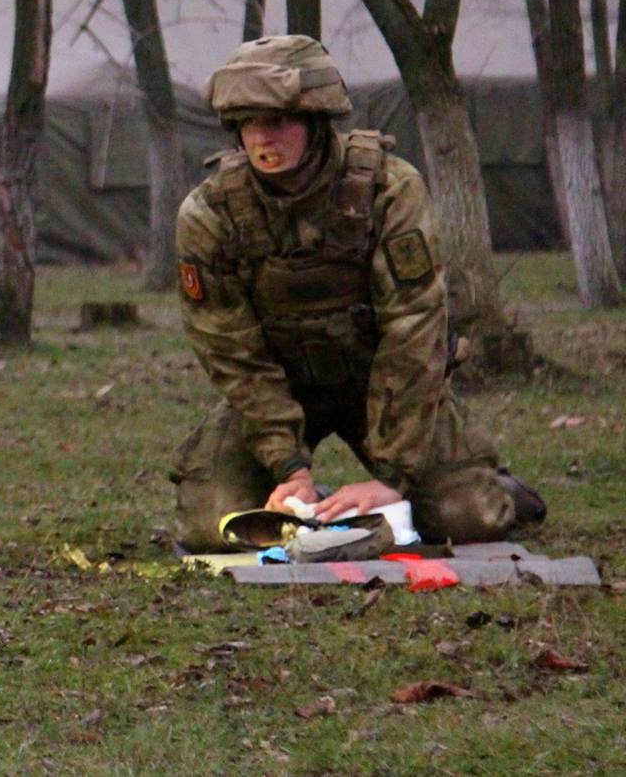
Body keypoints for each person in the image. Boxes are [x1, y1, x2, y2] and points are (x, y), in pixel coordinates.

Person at [171, 35, 547, 550]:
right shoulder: (211, 213)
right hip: (280, 387)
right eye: (248, 123)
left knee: (470, 517)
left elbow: (414, 333)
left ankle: (490, 484)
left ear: (316, 119)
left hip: (384, 383)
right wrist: (288, 465)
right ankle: (319, 503)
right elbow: (231, 351)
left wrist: (391, 476)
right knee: (211, 525)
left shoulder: (389, 191)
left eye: (277, 121)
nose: (261, 138)